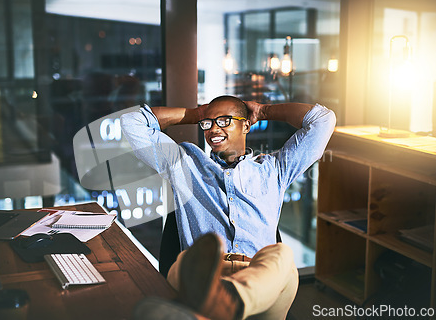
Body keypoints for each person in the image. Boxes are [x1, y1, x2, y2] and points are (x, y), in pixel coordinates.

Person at [120, 95, 336, 320]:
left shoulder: (274, 170)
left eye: (224, 121)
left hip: (261, 279)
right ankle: (222, 303)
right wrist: (195, 114)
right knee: (182, 263)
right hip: (207, 273)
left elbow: (322, 120)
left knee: (282, 256)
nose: (213, 129)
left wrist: (264, 111)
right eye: (208, 123)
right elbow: (131, 122)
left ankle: (226, 303)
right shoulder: (183, 164)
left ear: (245, 125)